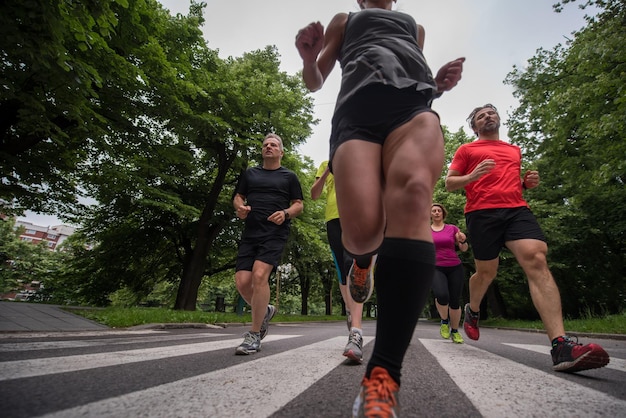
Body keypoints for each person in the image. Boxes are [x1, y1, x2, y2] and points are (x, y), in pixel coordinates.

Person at [296, 0, 465, 415]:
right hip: (356, 114)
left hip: (413, 110)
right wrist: (308, 58)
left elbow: (413, 74)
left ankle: (382, 375)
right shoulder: (346, 20)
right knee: (362, 233)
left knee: (413, 195)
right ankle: (363, 262)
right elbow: (315, 82)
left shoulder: (414, 26)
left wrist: (438, 86)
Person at [445, 103, 610, 373]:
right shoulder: (467, 150)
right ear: (475, 127)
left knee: (536, 258)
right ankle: (472, 310)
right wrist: (473, 175)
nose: (488, 117)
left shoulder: (513, 150)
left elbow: (506, 181)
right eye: (481, 116)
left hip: (517, 211)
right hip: (481, 214)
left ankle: (561, 346)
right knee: (486, 273)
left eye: (491, 113)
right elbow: (450, 183)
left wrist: (525, 183)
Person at [233, 133, 304, 355]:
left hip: (274, 232)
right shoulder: (250, 173)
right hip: (251, 232)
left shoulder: (289, 177)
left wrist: (285, 213)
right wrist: (240, 208)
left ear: (281, 152)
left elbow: (299, 205)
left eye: (273, 145)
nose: (268, 147)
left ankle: (254, 335)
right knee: (243, 282)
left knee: (259, 275)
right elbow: (238, 196)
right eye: (265, 145)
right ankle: (264, 311)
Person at [311, 160, 366, 363]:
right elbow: (314, 194)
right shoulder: (327, 163)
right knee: (343, 273)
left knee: (353, 266)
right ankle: (351, 311)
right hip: (333, 220)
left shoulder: (362, 156)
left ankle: (356, 332)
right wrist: (327, 171)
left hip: (357, 216)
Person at [430, 203, 468, 344]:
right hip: (435, 267)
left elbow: (463, 249)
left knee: (454, 301)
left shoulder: (452, 229)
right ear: (430, 215)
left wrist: (463, 241)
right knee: (442, 295)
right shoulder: (425, 230)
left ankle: (455, 331)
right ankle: (444, 320)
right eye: (434, 211)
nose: (436, 212)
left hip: (454, 266)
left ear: (443, 213)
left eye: (439, 210)